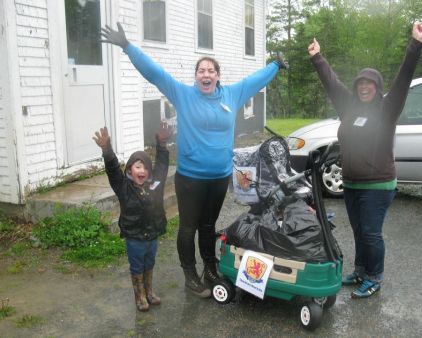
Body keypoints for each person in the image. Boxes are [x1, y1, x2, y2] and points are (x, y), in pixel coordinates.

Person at [100, 22, 288, 298]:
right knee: (188, 226)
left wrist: (275, 65)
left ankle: (210, 269)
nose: (206, 74)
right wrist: (128, 47)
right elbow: (155, 73)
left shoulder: (232, 95)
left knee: (208, 226)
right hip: (190, 177)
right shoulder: (184, 94)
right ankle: (190, 274)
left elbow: (255, 80)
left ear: (218, 76)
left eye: (211, 70)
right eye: (201, 70)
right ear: (196, 76)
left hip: (220, 176)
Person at [307, 22, 422, 298]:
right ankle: (361, 269)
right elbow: (332, 83)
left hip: (378, 184)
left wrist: (415, 44)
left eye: (369, 84)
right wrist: (317, 57)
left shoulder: (387, 109)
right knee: (360, 232)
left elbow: (404, 79)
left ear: (377, 87)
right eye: (360, 83)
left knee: (371, 233)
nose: (364, 87)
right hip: (352, 183)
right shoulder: (348, 107)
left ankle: (374, 276)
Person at [93, 122, 172, 311]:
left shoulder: (156, 184)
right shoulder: (123, 187)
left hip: (152, 235)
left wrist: (161, 145)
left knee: (150, 263)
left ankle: (149, 292)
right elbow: (112, 170)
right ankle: (140, 296)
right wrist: (107, 149)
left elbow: (161, 165)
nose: (142, 171)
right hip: (134, 237)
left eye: (145, 168)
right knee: (137, 266)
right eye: (138, 167)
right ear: (130, 170)